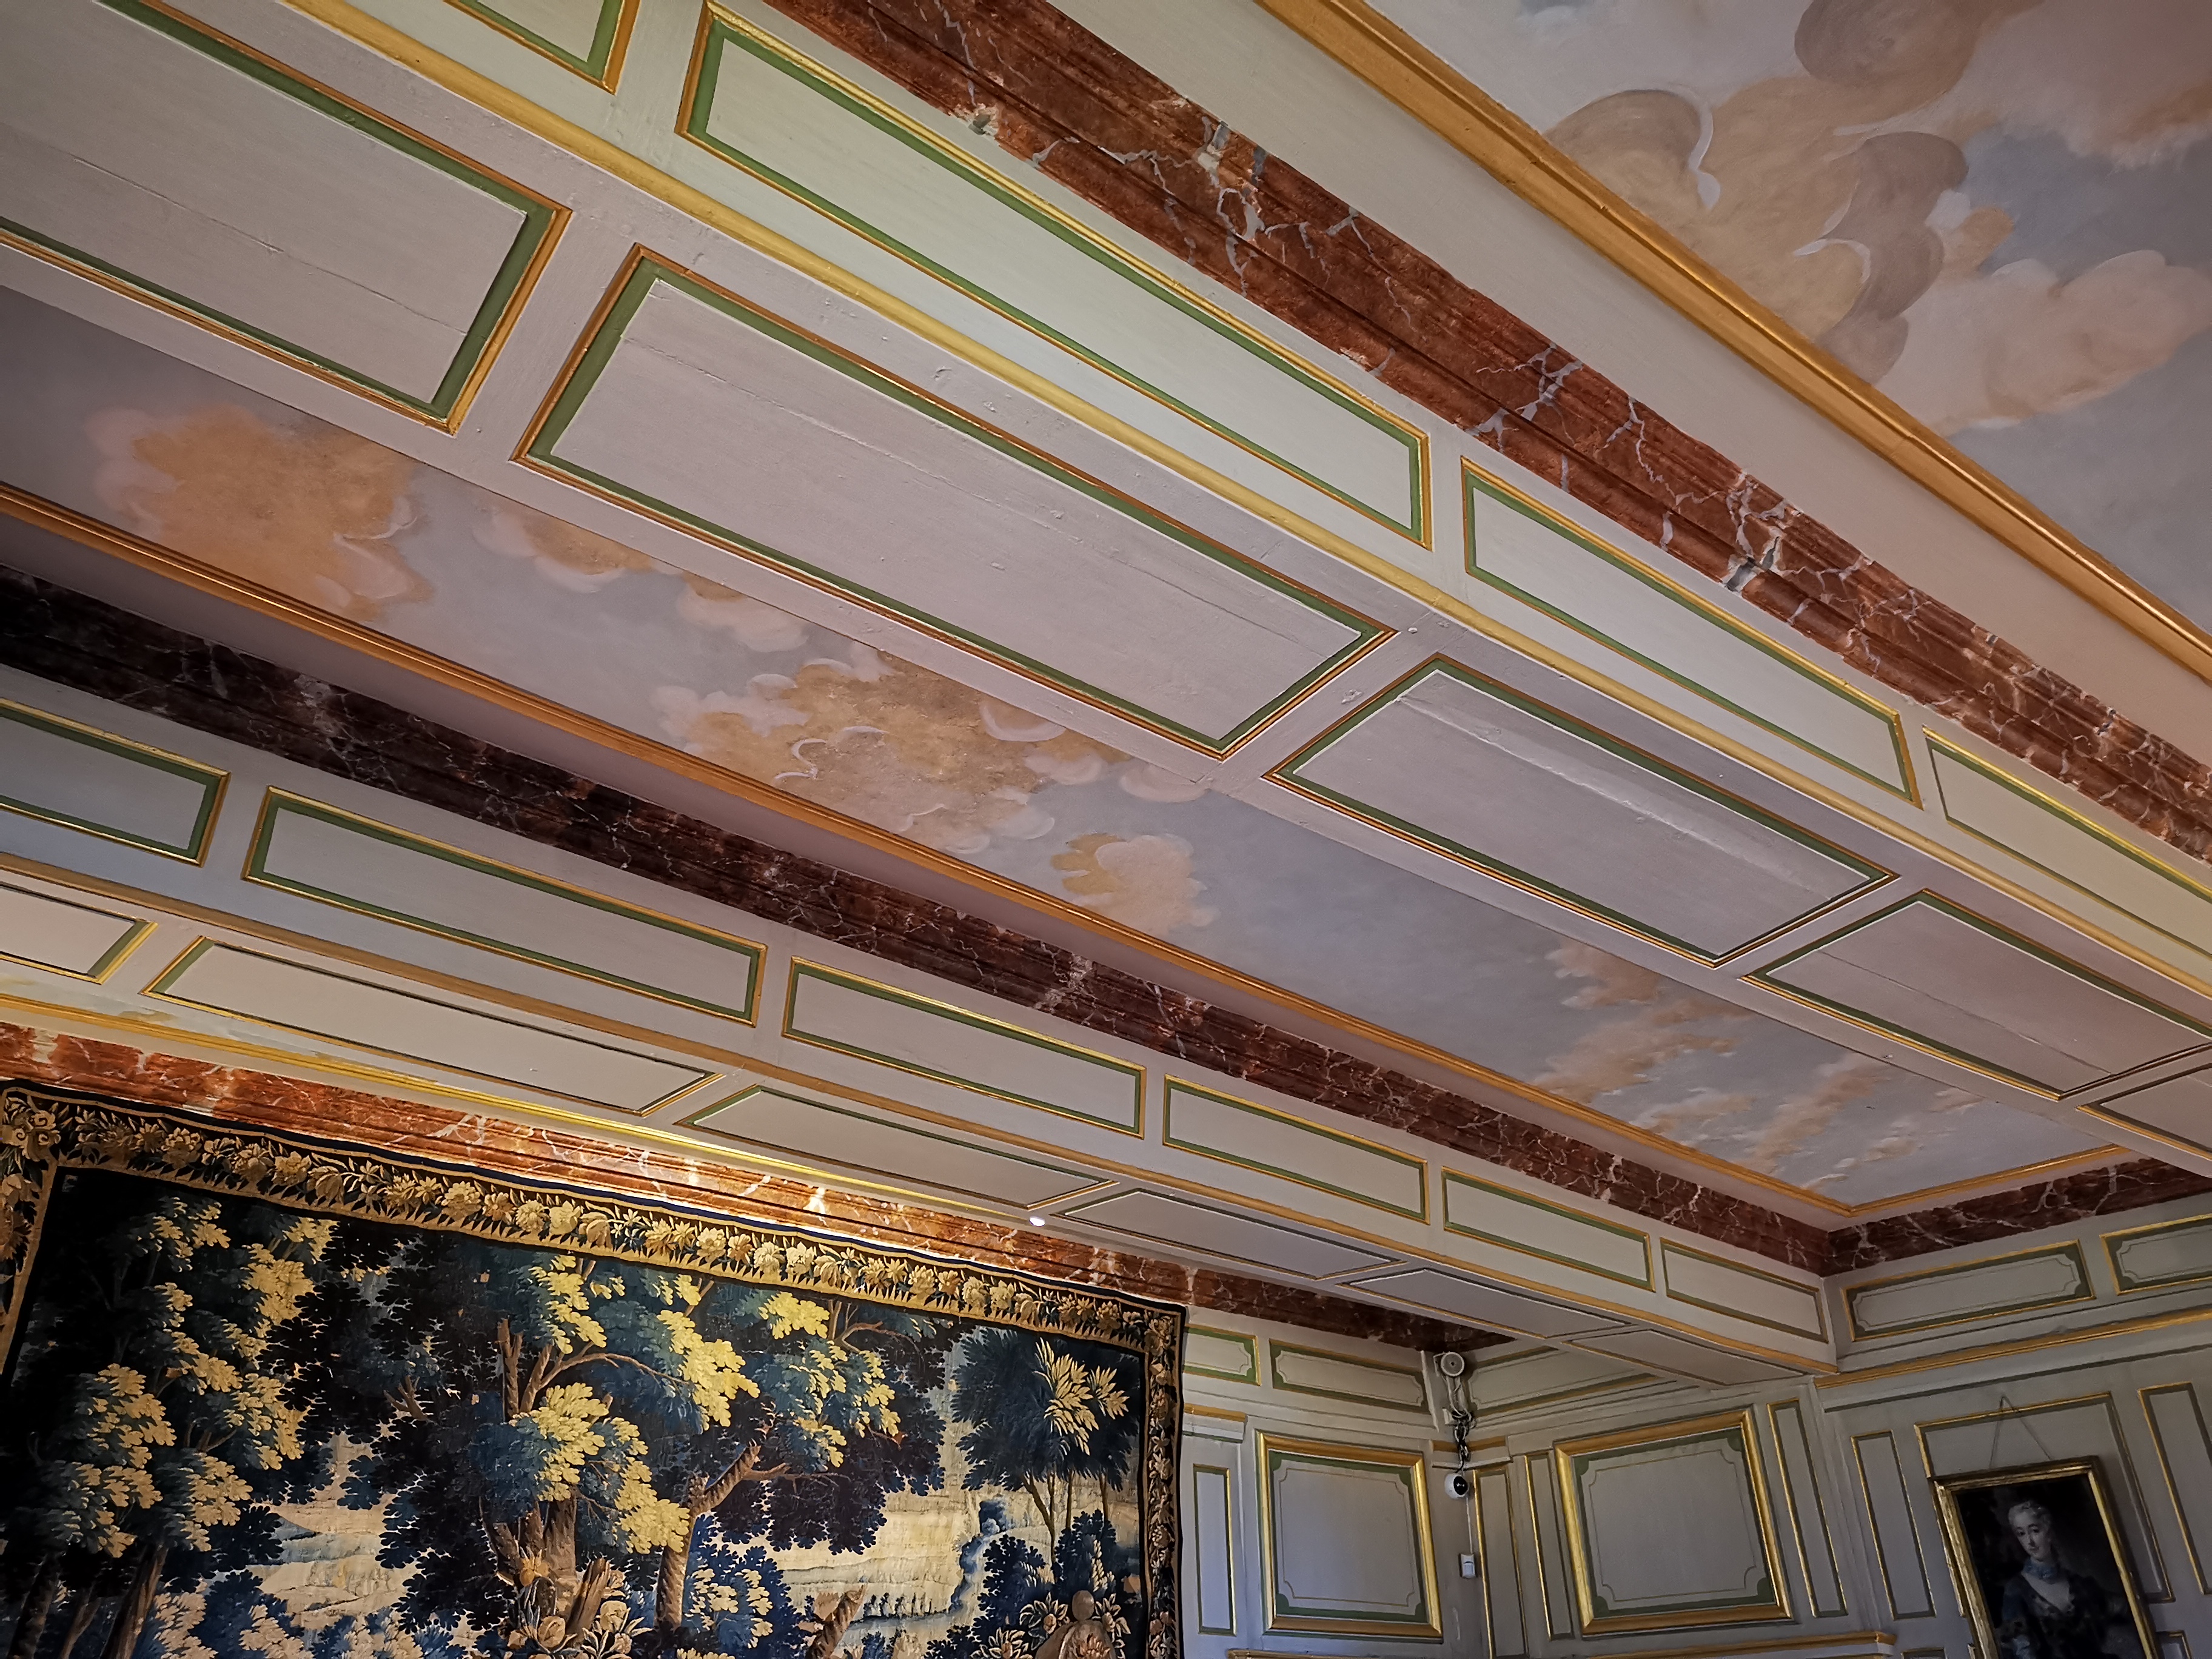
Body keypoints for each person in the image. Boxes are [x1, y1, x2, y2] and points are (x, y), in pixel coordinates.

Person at [1994, 1497, 2137, 1659]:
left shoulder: (2081, 1585)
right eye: (2021, 1534)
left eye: (2035, 1531)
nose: (2030, 1542)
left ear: (2049, 1531)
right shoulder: (2017, 1590)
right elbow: (2022, 1651)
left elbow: (2125, 1607)